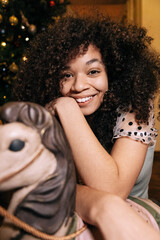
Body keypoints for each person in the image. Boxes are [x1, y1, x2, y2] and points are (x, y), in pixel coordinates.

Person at [12, 15, 160, 239]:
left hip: (130, 220)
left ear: (113, 71)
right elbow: (34, 186)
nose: (79, 86)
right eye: (66, 75)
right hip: (70, 216)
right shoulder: (48, 111)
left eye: (93, 71)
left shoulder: (135, 104)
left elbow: (112, 190)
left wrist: (67, 107)